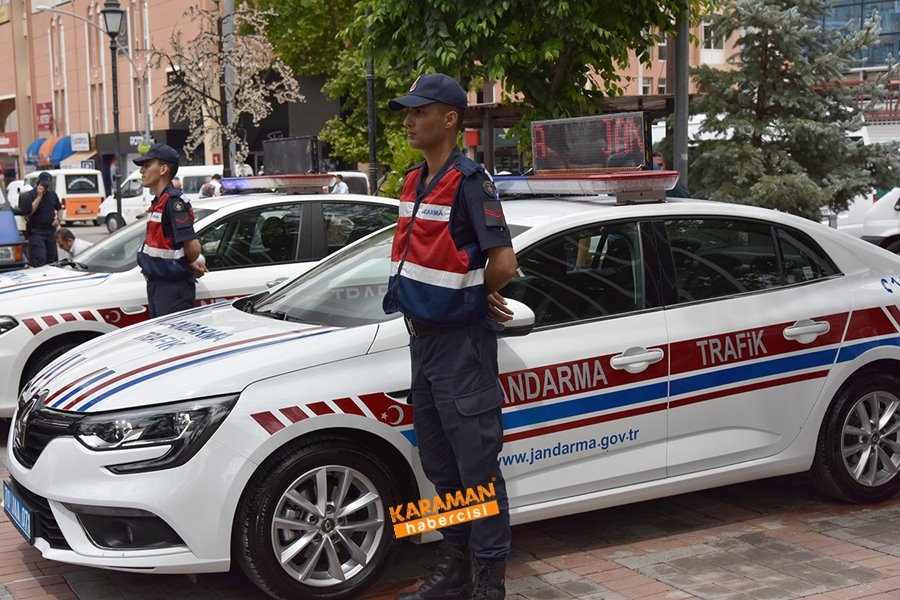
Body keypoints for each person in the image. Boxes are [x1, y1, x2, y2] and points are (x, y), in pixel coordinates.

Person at [382, 73, 518, 600]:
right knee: (441, 467)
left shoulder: (470, 181)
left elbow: (503, 262)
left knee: (478, 472)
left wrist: (471, 292)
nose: (410, 120)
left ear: (450, 120)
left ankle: (489, 584)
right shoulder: (414, 181)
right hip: (424, 342)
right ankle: (455, 570)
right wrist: (467, 287)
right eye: (407, 112)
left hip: (462, 347)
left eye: (421, 111)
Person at [134, 143, 207, 317]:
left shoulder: (174, 203)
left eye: (147, 165)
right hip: (158, 284)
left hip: (173, 289)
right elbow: (168, 245)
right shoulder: (159, 201)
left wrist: (185, 262)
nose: (141, 171)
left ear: (163, 169)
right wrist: (186, 262)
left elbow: (194, 248)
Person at [21, 171, 62, 267]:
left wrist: (58, 219)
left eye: (48, 185)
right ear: (39, 183)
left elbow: (59, 208)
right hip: (37, 232)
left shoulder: (52, 194)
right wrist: (39, 196)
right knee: (40, 258)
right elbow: (29, 212)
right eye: (45, 185)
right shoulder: (31, 195)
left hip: (50, 231)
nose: (47, 187)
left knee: (52, 259)